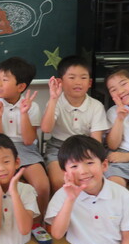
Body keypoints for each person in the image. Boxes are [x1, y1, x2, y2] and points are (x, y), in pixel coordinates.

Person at [0, 57, 51, 244]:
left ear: (21, 86)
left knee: (42, 185)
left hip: (25, 149)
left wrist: (24, 113)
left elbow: (29, 140)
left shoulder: (32, 106)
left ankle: (36, 223)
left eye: (5, 79)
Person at [41, 55, 109, 194]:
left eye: (83, 78)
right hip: (58, 147)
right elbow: (46, 129)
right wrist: (53, 99)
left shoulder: (96, 106)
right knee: (59, 182)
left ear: (90, 83)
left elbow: (96, 141)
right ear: (60, 82)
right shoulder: (56, 102)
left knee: (92, 181)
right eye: (72, 77)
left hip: (87, 148)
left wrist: (91, 160)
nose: (78, 82)